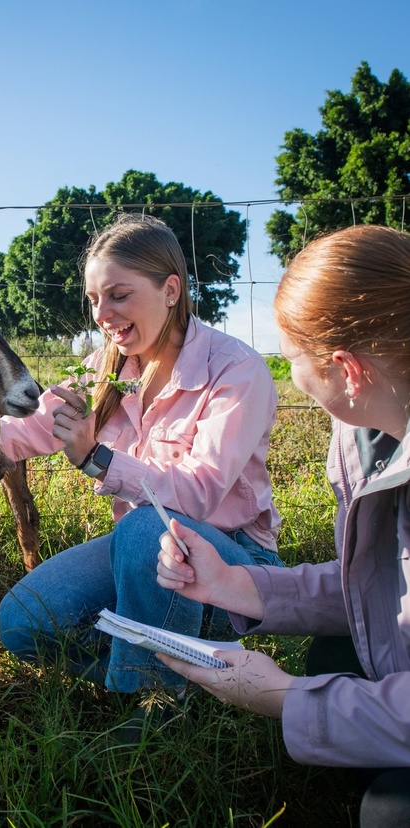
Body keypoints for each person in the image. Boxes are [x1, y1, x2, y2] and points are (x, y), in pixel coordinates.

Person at [156, 224, 410, 826]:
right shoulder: (368, 436)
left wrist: (280, 696)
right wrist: (239, 585)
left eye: (292, 360)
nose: (289, 376)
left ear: (345, 370)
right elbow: (383, 581)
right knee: (333, 656)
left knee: (391, 812)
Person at [0, 213, 282, 696]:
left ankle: (152, 703)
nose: (101, 314)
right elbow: (21, 432)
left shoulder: (237, 370)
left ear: (171, 290)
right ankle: (182, 672)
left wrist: (97, 457)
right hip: (145, 560)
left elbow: (196, 496)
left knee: (147, 524)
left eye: (118, 295)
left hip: (235, 564)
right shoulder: (104, 368)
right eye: (94, 299)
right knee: (21, 623)